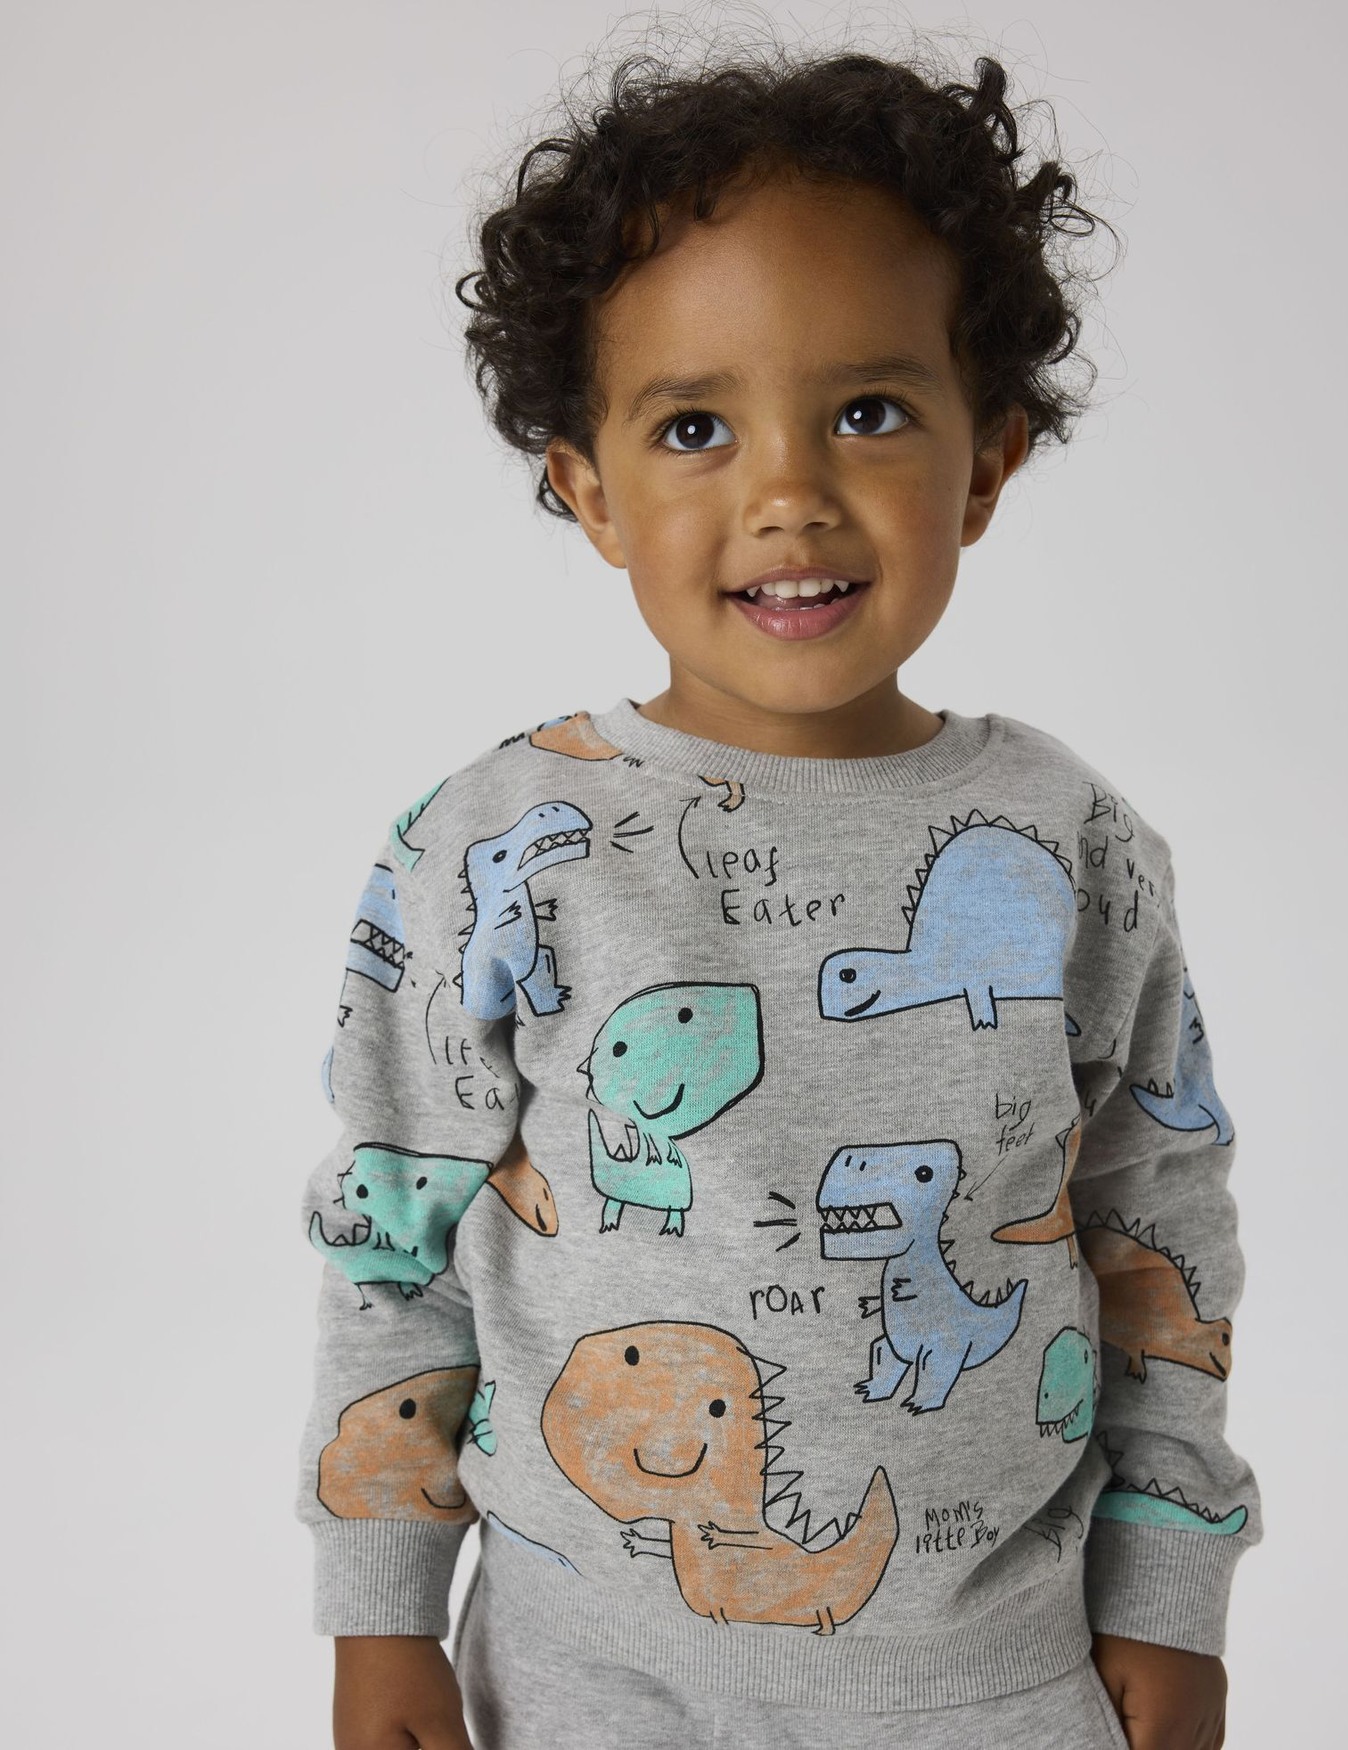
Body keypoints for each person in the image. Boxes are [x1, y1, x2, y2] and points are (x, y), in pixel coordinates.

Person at [297, 29, 1262, 1750]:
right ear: (589, 490)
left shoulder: (1073, 842)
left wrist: (1172, 1586)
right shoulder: (492, 842)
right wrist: (382, 1614)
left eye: (868, 413)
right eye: (694, 426)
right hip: (585, 1680)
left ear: (989, 460)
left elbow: (1160, 1228)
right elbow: (394, 1246)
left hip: (995, 1675)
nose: (790, 494)